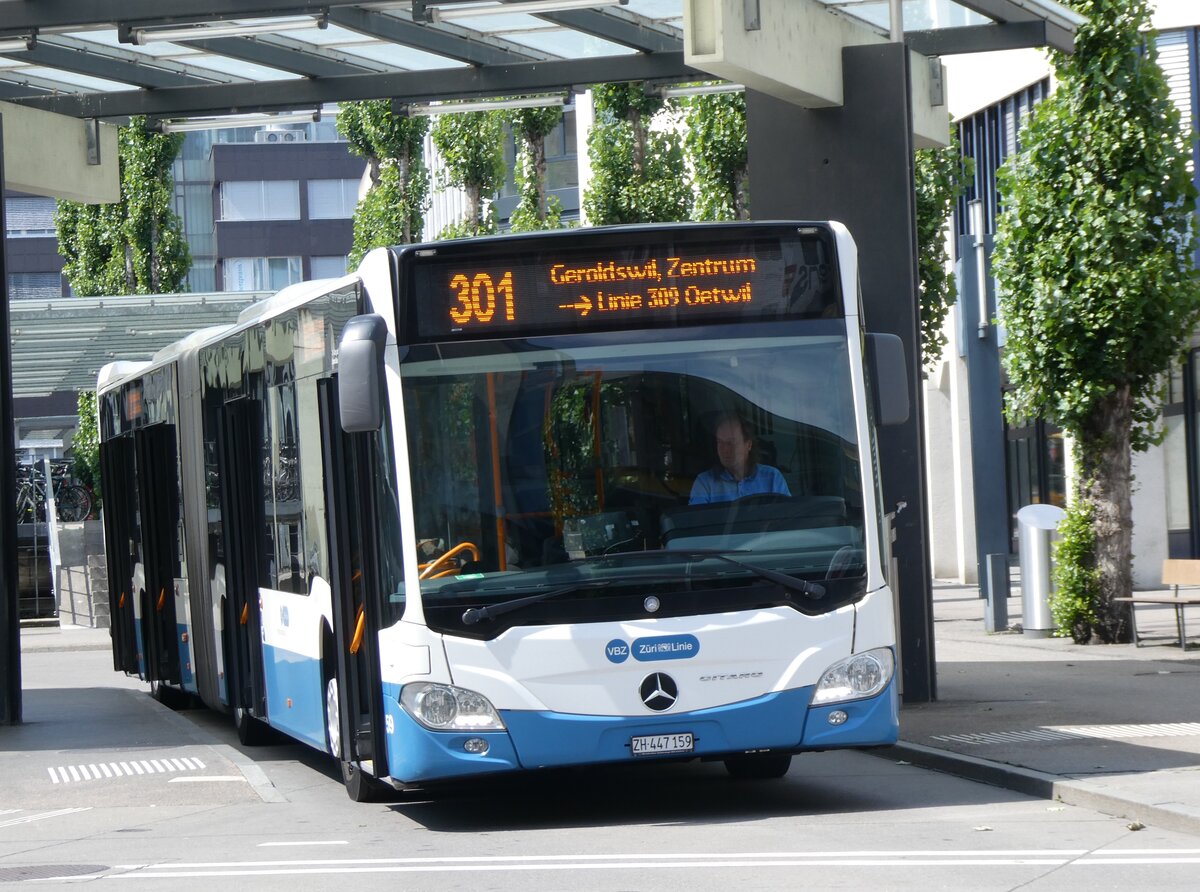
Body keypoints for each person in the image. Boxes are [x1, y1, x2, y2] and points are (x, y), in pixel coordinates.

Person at [689, 414, 791, 505]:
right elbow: (695, 522)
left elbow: (788, 518)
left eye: (731, 442)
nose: (725, 449)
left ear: (749, 444)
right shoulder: (704, 483)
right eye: (720, 442)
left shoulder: (772, 478)